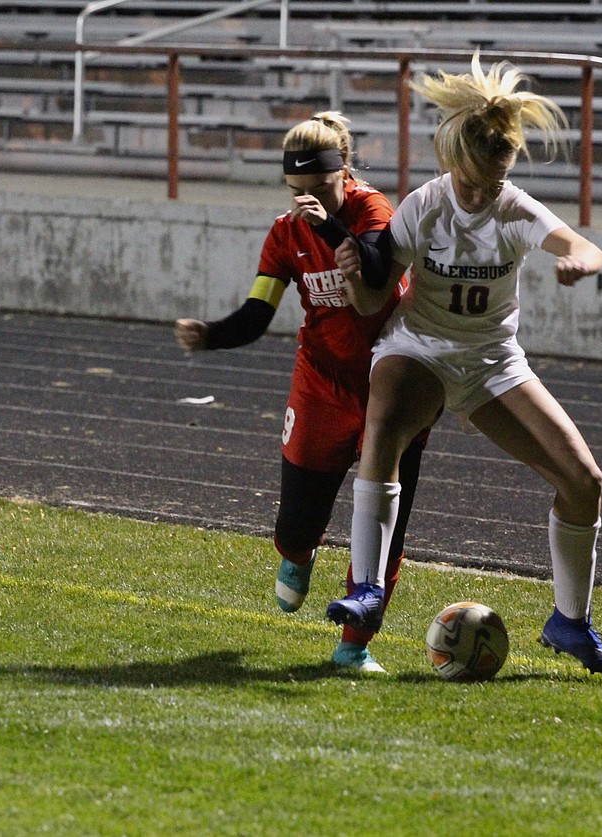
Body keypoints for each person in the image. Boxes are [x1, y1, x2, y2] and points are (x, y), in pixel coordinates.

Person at [327, 55, 602, 677]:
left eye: (492, 183)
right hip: (422, 349)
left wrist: (581, 264)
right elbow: (378, 302)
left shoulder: (513, 209)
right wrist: (359, 281)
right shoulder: (424, 206)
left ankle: (569, 622)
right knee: (381, 428)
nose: (479, 194)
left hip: (492, 361)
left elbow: (583, 245)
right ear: (450, 162)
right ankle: (368, 590)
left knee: (584, 480)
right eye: (470, 182)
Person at [174, 112, 430, 674]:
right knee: (294, 525)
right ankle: (298, 553)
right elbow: (258, 311)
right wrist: (213, 335)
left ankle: (354, 645)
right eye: (297, 191)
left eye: (320, 189)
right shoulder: (284, 233)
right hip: (320, 379)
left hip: (393, 380)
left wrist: (330, 228)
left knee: (387, 521)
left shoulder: (373, 211)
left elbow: (373, 262)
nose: (307, 201)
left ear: (345, 173)